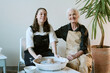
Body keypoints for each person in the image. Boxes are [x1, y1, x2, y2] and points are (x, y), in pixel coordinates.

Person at [55, 8, 92, 73]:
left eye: (74, 14)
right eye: (70, 15)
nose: (72, 17)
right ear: (68, 17)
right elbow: (53, 34)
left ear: (78, 16)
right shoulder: (65, 29)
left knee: (84, 63)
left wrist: (75, 56)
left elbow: (83, 48)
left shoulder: (83, 29)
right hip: (70, 53)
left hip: (82, 53)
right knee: (73, 64)